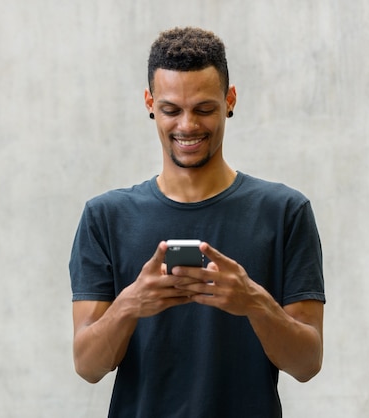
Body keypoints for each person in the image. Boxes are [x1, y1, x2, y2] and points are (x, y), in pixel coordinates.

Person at [69, 26, 325, 418]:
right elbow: (88, 366)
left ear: (230, 100)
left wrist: (254, 302)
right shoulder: (105, 217)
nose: (187, 125)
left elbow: (307, 364)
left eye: (204, 109)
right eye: (172, 109)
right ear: (150, 103)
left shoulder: (285, 212)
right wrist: (130, 305)